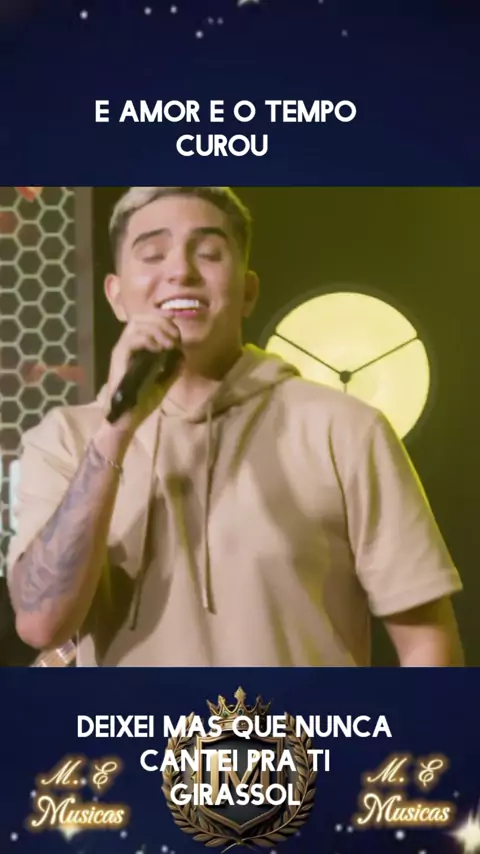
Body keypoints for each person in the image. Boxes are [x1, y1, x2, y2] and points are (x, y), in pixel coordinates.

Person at [7, 186, 464, 667]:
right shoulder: (64, 439)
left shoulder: (343, 428)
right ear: (116, 296)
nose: (180, 272)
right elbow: (41, 624)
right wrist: (116, 429)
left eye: (208, 253)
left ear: (248, 291)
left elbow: (428, 643)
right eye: (153, 254)